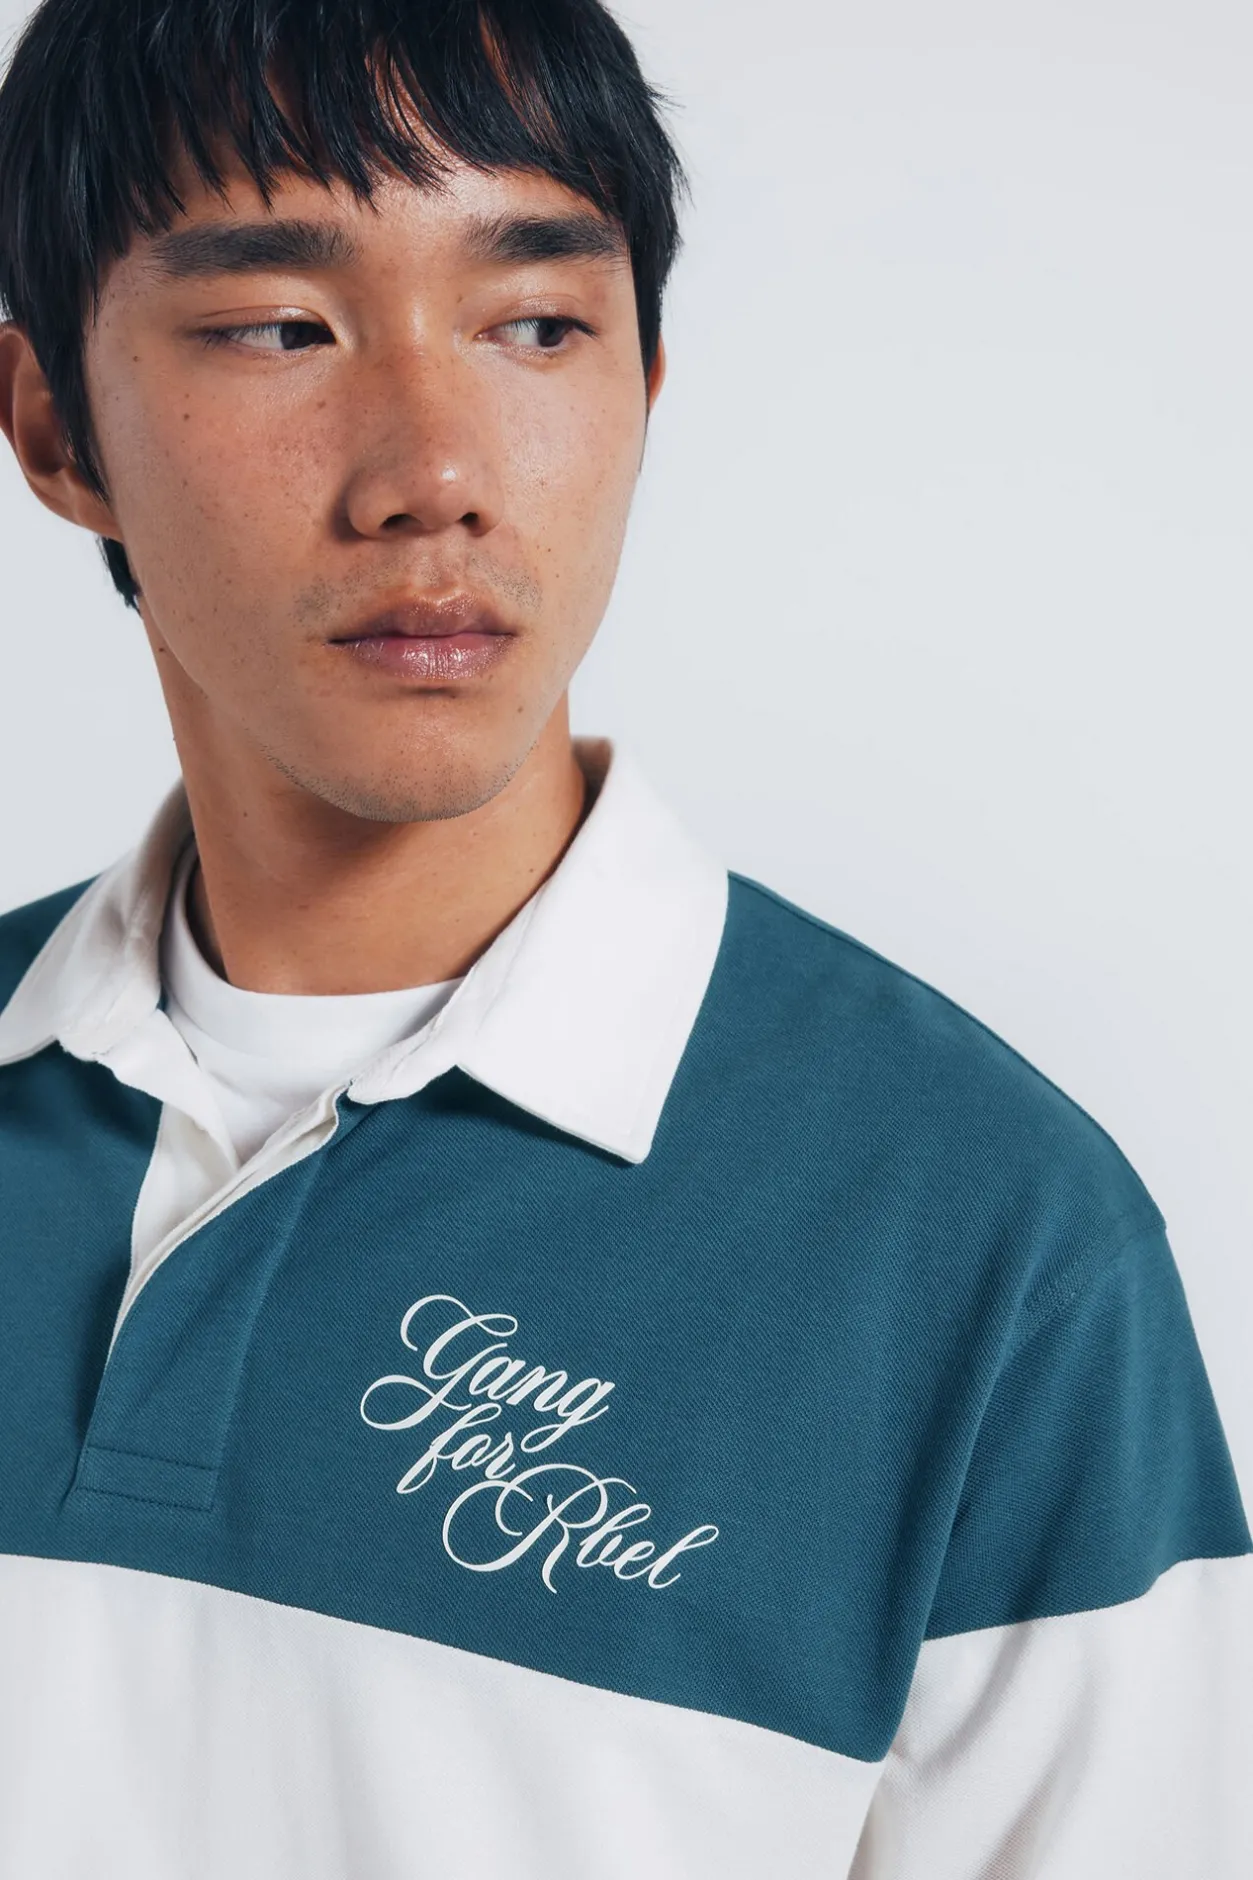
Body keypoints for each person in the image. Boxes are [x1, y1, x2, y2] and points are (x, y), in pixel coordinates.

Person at [0, 1, 1248, 1874]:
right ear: (54, 427)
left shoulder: (991, 1245)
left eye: (535, 325)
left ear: (646, 386)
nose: (434, 472)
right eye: (281, 326)